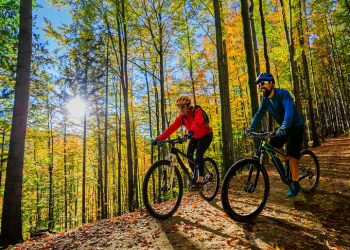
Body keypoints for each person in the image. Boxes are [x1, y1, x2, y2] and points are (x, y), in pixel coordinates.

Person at [245, 73, 304, 197]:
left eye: (263, 83)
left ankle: (295, 183)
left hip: (295, 125)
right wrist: (250, 128)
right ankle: (286, 163)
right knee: (272, 146)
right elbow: (259, 114)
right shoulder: (265, 100)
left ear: (271, 82)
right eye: (259, 85)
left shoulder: (283, 93)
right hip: (283, 127)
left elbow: (289, 110)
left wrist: (284, 126)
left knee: (293, 153)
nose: (261, 87)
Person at [153, 96, 213, 186]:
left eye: (183, 107)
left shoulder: (196, 111)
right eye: (179, 107)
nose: (181, 109)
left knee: (199, 154)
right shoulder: (181, 118)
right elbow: (172, 127)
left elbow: (197, 122)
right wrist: (159, 138)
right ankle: (195, 176)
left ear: (188, 106)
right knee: (189, 155)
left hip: (206, 135)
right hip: (195, 136)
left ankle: (201, 178)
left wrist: (191, 132)